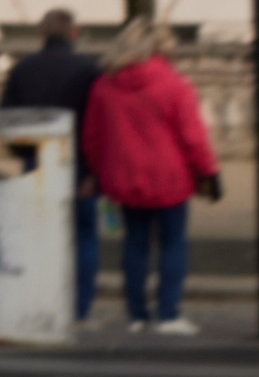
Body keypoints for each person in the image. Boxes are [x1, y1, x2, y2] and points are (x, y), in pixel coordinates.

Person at [82, 17, 223, 333]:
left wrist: (98, 169)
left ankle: (137, 314)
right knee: (173, 244)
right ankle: (169, 313)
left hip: (124, 176)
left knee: (135, 244)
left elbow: (92, 136)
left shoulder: (105, 85)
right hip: (170, 177)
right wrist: (208, 170)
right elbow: (193, 136)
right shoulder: (175, 84)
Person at [5, 9, 105, 318]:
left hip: (37, 161)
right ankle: (80, 306)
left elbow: (6, 117)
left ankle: (43, 299)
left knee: (38, 238)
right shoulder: (90, 69)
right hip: (79, 165)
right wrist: (95, 170)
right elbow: (100, 124)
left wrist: (23, 154)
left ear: (42, 33)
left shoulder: (23, 68)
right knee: (84, 237)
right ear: (74, 33)